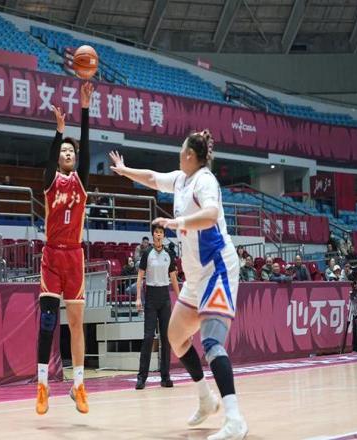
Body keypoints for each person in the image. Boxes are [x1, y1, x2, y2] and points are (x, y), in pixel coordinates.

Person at [109, 129, 248, 439]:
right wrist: (125, 170)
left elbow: (211, 214)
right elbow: (152, 177)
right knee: (175, 336)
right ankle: (205, 398)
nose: (178, 152)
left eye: (181, 148)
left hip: (218, 269)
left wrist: (178, 222)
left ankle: (235, 419)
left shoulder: (205, 181)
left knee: (211, 343)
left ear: (189, 155)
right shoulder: (182, 180)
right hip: (196, 276)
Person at [36, 82, 94, 416]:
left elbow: (86, 146)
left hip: (74, 255)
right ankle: (43, 385)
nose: (69, 154)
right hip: (51, 256)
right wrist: (59, 132)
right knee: (47, 322)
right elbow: (48, 158)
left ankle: (79, 385)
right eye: (64, 151)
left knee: (75, 324)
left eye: (71, 151)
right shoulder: (50, 181)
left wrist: (84, 109)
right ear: (58, 157)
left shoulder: (81, 180)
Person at [135, 224, 180, 390]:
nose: (159, 235)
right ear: (153, 235)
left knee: (166, 338)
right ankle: (142, 378)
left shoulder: (169, 254)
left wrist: (180, 299)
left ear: (163, 235)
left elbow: (173, 278)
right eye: (156, 232)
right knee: (148, 337)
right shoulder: (147, 253)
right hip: (151, 297)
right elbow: (140, 276)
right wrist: (138, 297)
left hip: (164, 297)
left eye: (161, 232)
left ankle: (165, 377)